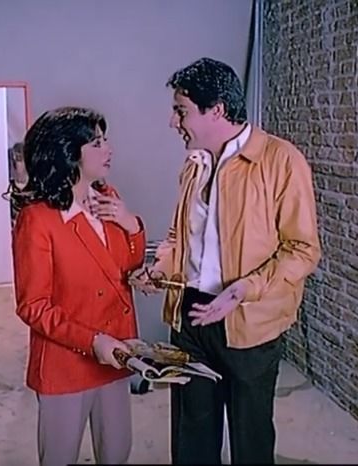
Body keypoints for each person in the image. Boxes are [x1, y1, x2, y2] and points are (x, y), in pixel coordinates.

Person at [130, 57, 321, 464]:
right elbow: (179, 238)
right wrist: (160, 268)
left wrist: (243, 289)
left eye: (181, 111)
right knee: (192, 436)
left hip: (250, 322)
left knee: (251, 441)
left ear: (216, 110)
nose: (172, 122)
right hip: (190, 317)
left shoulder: (281, 161)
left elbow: (302, 249)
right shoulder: (194, 164)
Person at [11, 106, 146, 466]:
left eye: (106, 140)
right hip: (66, 363)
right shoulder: (37, 219)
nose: (109, 149)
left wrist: (131, 224)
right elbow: (33, 306)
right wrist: (93, 341)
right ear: (68, 152)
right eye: (97, 143)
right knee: (59, 456)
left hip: (116, 350)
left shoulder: (107, 196)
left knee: (117, 452)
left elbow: (124, 269)